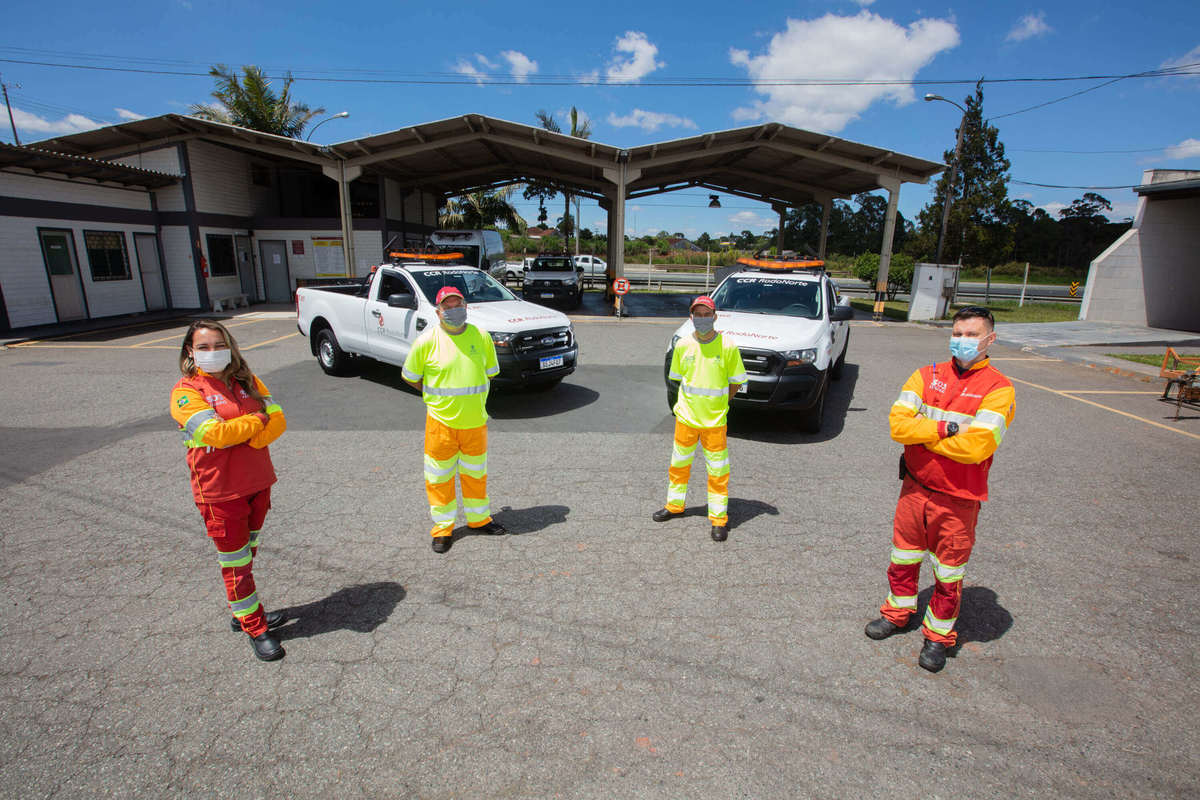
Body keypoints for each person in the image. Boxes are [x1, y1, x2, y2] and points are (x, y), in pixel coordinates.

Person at [864, 306, 1015, 672]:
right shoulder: (925, 375)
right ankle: (897, 613)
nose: (963, 340)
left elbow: (977, 447)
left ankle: (938, 637)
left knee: (948, 573)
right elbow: (898, 426)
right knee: (903, 557)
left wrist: (925, 434)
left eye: (972, 334)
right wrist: (946, 430)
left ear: (989, 339)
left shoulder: (999, 388)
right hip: (915, 489)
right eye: (958, 333)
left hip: (959, 499)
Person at [170, 320, 288, 662]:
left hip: (258, 483)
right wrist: (256, 423)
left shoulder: (247, 380)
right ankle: (254, 625)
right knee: (236, 563)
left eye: (218, 345)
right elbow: (213, 434)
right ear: (190, 353)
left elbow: (278, 417)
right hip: (220, 493)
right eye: (203, 347)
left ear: (229, 346)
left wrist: (256, 428)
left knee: (247, 554)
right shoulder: (185, 392)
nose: (212, 353)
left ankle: (243, 611)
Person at [402, 286, 507, 553]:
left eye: (457, 304)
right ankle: (443, 529)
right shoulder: (427, 341)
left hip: (475, 423)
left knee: (475, 476)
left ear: (466, 306)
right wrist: (435, 396)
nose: (453, 310)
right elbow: (411, 377)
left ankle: (479, 519)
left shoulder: (481, 337)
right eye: (447, 306)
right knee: (439, 480)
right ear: (438, 312)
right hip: (441, 424)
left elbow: (491, 372)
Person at [653, 296, 747, 541]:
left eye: (707, 314)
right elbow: (678, 379)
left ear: (715, 317)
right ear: (691, 316)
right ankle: (674, 506)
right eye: (698, 314)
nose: (702, 319)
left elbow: (736, 381)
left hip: (714, 422)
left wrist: (721, 402)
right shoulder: (683, 345)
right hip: (686, 419)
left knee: (717, 472)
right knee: (678, 466)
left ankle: (718, 519)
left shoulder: (728, 346)